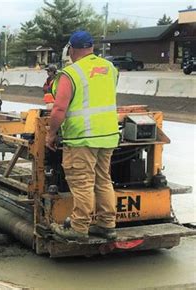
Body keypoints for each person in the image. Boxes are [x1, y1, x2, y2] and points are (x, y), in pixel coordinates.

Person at [46, 30, 120, 241]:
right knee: (103, 180)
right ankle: (107, 225)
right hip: (107, 135)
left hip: (82, 138)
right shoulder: (110, 68)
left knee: (82, 182)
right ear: (92, 48)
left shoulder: (71, 73)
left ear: (71, 49)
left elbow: (59, 109)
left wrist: (51, 133)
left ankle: (79, 228)